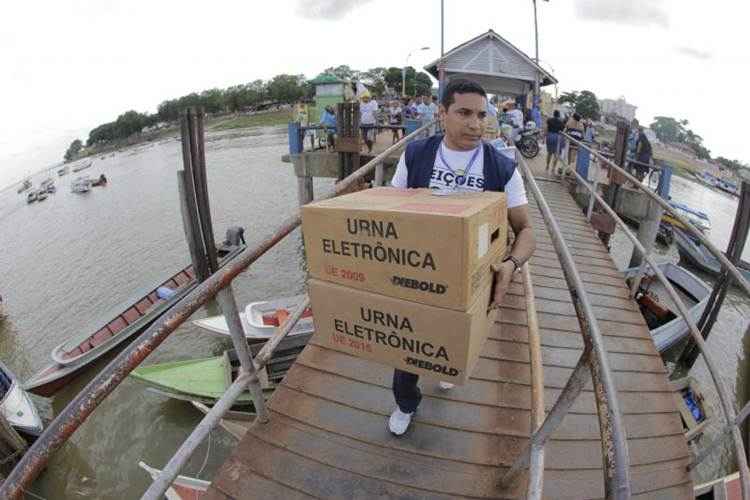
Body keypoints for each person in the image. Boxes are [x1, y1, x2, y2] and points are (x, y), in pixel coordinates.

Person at [388, 78, 536, 436]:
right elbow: (390, 208)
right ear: (442, 114)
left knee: (455, 339)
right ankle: (405, 402)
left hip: (473, 276)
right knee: (408, 345)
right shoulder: (416, 154)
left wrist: (512, 265)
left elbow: (527, 231)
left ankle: (447, 368)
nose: (475, 123)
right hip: (418, 269)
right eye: (464, 113)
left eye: (481, 115)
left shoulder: (502, 168)